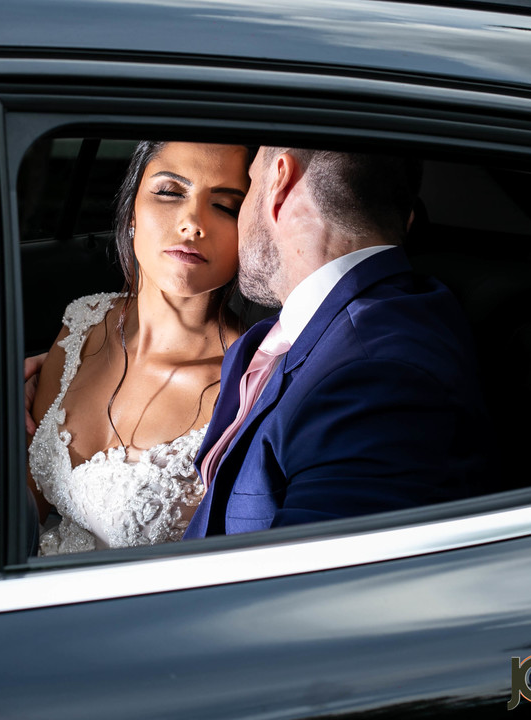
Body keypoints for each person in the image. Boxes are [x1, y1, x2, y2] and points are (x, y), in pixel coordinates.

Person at [184, 147, 489, 538]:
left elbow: (307, 573)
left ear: (279, 183)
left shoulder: (376, 379)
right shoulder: (303, 330)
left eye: (249, 185)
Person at [27, 141, 250, 555]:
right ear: (132, 210)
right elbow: (28, 507)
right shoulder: (83, 324)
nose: (192, 223)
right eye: (169, 192)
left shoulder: (247, 383)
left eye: (225, 206)